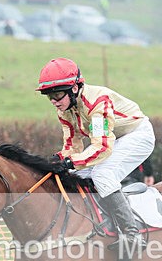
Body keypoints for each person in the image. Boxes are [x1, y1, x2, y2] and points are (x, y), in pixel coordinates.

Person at [37, 57, 155, 250]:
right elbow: (72, 146)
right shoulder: (65, 110)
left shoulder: (97, 101)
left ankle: (132, 234)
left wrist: (70, 162)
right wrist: (59, 160)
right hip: (114, 139)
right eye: (48, 96)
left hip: (137, 135)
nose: (54, 102)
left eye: (57, 94)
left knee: (102, 174)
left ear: (74, 88)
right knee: (73, 175)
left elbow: (101, 148)